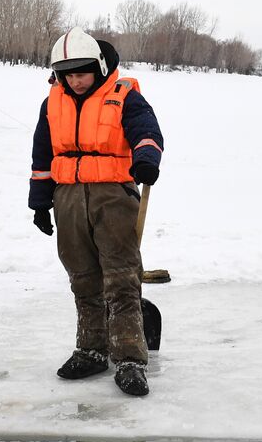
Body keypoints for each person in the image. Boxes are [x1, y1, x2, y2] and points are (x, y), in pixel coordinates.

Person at [29, 28, 164, 397]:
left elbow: (147, 132)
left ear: (99, 67)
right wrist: (40, 201)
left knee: (120, 278)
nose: (75, 80)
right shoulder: (51, 102)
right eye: (67, 74)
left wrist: (147, 159)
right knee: (83, 278)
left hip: (113, 198)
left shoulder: (124, 96)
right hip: (68, 198)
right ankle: (91, 349)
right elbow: (43, 155)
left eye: (82, 73)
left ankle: (130, 359)